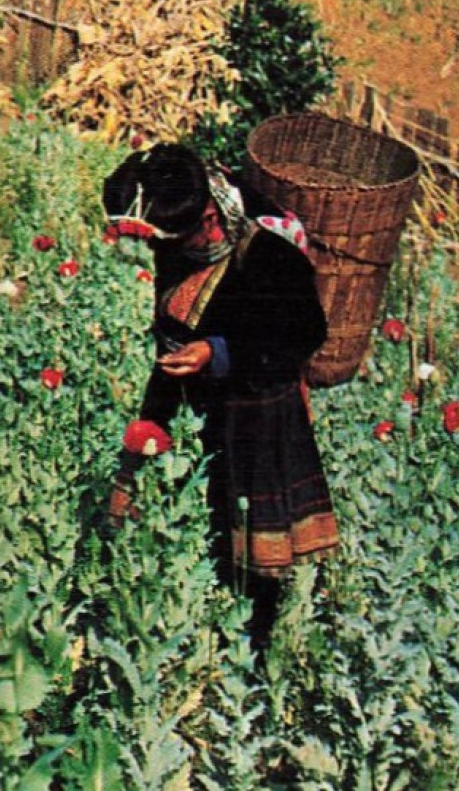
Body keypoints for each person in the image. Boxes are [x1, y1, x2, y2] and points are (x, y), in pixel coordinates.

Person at [102, 143, 337, 650]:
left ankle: (253, 649)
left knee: (253, 551)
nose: (199, 239)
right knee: (191, 529)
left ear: (211, 211)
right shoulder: (177, 249)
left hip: (260, 414)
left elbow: (303, 335)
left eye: (199, 229)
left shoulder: (270, 254)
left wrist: (219, 352)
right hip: (196, 404)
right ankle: (195, 636)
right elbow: (173, 323)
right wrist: (157, 415)